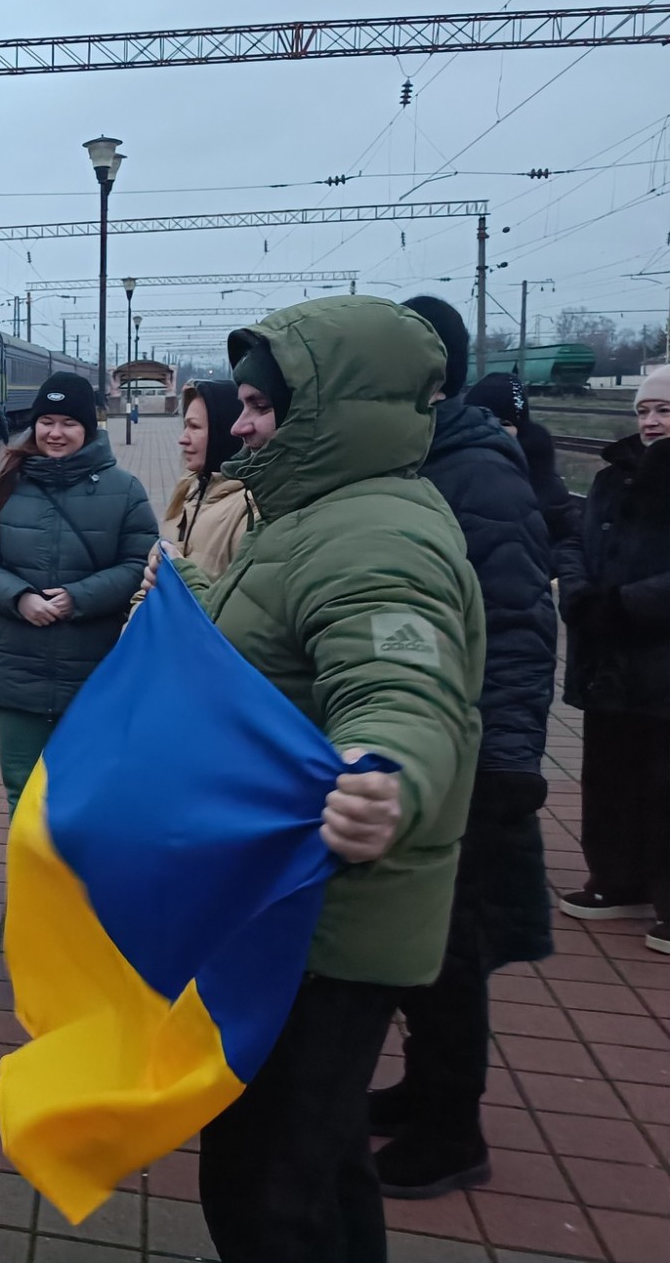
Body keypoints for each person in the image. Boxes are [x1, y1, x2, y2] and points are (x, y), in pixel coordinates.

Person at [142, 297, 483, 1263]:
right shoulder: (326, 512)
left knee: (263, 1187)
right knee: (323, 1164)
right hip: (298, 905)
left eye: (256, 405)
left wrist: (384, 771)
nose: (240, 424)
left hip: (322, 922)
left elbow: (399, 681)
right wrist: (196, 597)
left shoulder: (374, 534)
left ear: (329, 410)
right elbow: (290, 634)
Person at [363, 298, 556, 1198]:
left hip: (470, 753)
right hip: (425, 740)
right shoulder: (421, 457)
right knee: (421, 944)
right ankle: (422, 1090)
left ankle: (454, 1129)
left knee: (452, 948)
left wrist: (513, 758)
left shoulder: (474, 471)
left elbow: (519, 619)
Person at [0, 371, 155, 807]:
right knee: (23, 792)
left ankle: (81, 876)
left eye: (69, 422)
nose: (56, 433)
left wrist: (80, 597)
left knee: (88, 794)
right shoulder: (6, 486)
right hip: (16, 667)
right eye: (47, 421)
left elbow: (140, 565)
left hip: (95, 668)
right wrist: (19, 597)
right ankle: (28, 878)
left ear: (88, 427)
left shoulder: (125, 491)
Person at [551, 364, 670, 953]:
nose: (650, 421)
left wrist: (627, 605)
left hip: (658, 655)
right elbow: (573, 540)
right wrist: (577, 592)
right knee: (611, 775)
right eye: (644, 411)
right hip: (607, 659)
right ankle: (616, 880)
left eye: (664, 410)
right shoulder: (610, 477)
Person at [467, 370, 574, 545]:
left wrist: (568, 572)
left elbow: (565, 538)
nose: (494, 430)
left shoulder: (542, 476)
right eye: (485, 420)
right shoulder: (455, 470)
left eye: (504, 423)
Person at [159, 379, 252, 578]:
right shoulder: (189, 489)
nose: (182, 438)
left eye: (194, 427)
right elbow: (153, 573)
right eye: (185, 426)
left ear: (225, 433)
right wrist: (138, 608)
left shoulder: (249, 511)